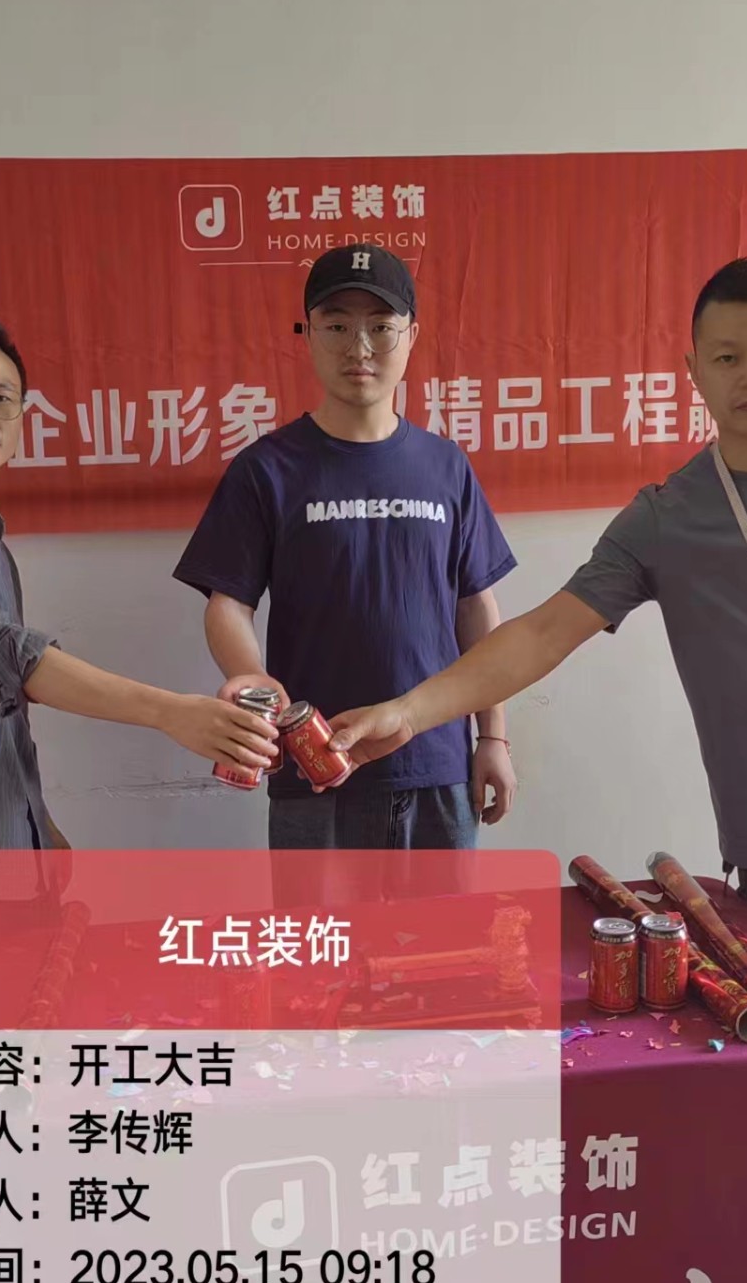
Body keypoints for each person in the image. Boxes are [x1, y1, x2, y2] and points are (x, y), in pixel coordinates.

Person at [330, 257, 747, 1173]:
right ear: (693, 369)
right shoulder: (667, 517)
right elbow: (544, 631)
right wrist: (411, 710)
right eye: (728, 357)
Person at [0, 314, 277, 849]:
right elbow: (6, 655)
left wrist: (38, 825)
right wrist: (171, 713)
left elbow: (3, 709)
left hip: (16, 844)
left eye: (2, 398)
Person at [173, 243, 518, 850]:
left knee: (448, 918)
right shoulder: (266, 469)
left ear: (412, 336)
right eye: (336, 327)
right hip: (314, 762)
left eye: (380, 328)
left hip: (438, 762)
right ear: (307, 335)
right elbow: (228, 602)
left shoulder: (446, 466)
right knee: (317, 919)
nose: (359, 348)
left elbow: (475, 608)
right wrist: (253, 682)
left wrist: (492, 736)